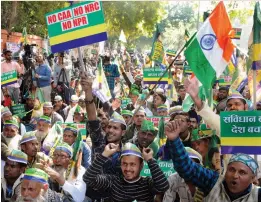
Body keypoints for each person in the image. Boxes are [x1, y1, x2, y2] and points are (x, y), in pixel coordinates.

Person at [165, 119, 261, 202]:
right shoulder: (213, 181)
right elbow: (186, 167)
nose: (235, 176)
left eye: (242, 172)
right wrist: (174, 140)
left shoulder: (257, 195)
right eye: (231, 170)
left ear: (253, 178)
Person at [83, 143, 169, 202]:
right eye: (124, 164)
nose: (128, 168)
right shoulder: (113, 182)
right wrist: (104, 155)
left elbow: (163, 187)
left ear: (141, 166)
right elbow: (88, 178)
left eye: (132, 164)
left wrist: (150, 160)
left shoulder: (147, 183)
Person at [184, 79, 248, 136]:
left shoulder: (256, 123)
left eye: (237, 104)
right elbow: (209, 116)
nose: (232, 107)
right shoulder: (224, 126)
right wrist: (195, 98)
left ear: (245, 107)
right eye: (229, 105)